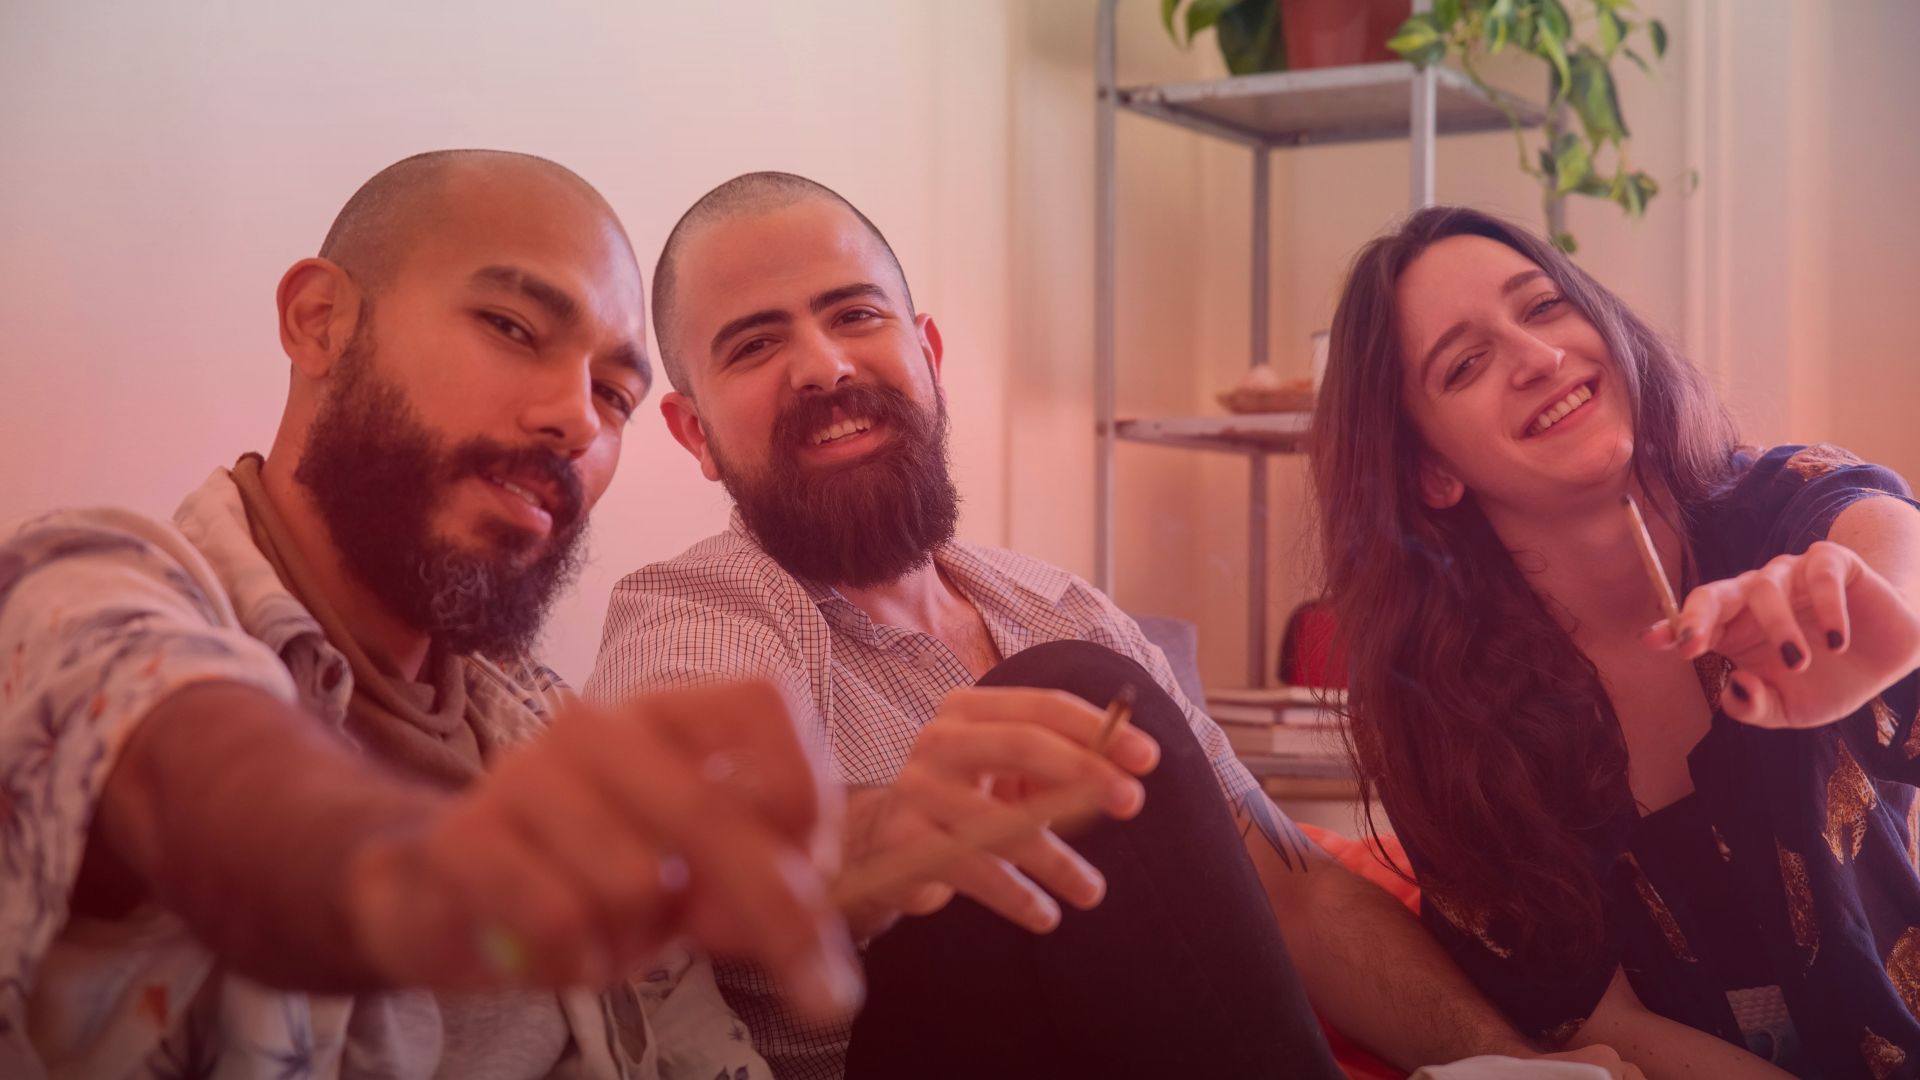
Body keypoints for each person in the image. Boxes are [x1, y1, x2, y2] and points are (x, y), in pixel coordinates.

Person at [586, 172, 1640, 1080]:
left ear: (928, 353)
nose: (823, 365)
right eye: (756, 344)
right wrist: (898, 824)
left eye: (855, 315)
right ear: (695, 434)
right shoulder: (701, 609)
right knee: (1075, 715)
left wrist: (1512, 1059)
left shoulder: (1059, 605)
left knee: (1084, 694)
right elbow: (698, 834)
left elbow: (1290, 895)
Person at [0, 149, 865, 1080]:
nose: (578, 421)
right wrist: (416, 878)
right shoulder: (85, 589)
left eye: (614, 395)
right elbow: (201, 775)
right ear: (318, 321)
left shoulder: (537, 717)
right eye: (512, 325)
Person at [1311, 204, 1920, 1079]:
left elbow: (1882, 534)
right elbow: (1585, 1015)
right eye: (1468, 362)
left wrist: (1883, 620)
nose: (1536, 357)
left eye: (1545, 307)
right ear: (1429, 470)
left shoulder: (1780, 506)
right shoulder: (1431, 700)